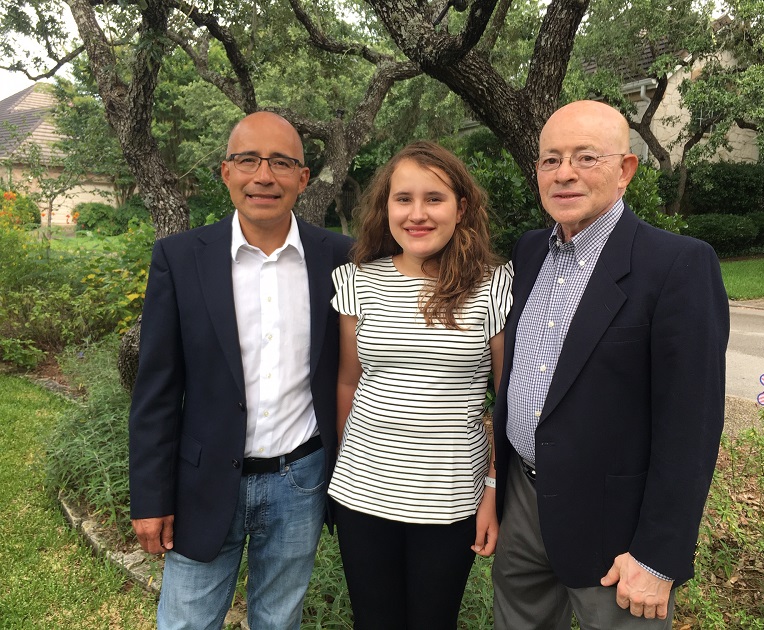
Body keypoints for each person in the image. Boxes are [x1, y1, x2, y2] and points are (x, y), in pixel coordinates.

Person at [491, 100, 729, 628]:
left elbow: (691, 426)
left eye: (585, 157)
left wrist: (659, 557)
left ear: (625, 170)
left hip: (615, 528)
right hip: (523, 502)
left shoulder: (677, 265)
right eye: (550, 160)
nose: (564, 173)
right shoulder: (529, 252)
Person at [128, 111, 353, 630]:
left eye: (281, 162)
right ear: (226, 172)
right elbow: (157, 391)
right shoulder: (180, 258)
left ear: (303, 177)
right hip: (203, 480)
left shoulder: (340, 258)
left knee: (279, 619)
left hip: (301, 480)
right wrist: (151, 497)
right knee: (186, 621)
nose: (263, 176)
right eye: (248, 160)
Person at [329, 141, 512, 629]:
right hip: (363, 495)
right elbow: (348, 383)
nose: (417, 214)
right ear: (385, 207)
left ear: (461, 207)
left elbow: (507, 400)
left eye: (434, 198)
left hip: (451, 498)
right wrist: (350, 461)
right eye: (403, 198)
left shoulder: (494, 285)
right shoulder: (356, 281)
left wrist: (494, 489)